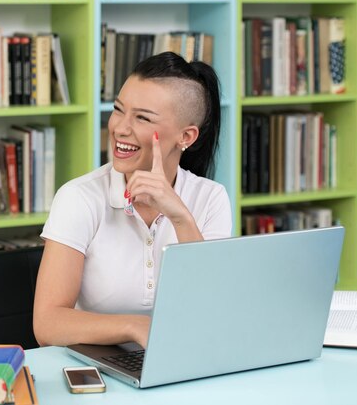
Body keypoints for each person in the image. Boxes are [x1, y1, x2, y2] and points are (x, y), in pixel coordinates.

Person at [33, 51, 232, 349]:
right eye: (118, 109)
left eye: (142, 117)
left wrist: (180, 217)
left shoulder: (210, 198)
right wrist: (136, 327)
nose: (119, 128)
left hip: (183, 358)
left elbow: (211, 311)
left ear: (186, 136)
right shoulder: (79, 197)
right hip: (97, 363)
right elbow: (47, 324)